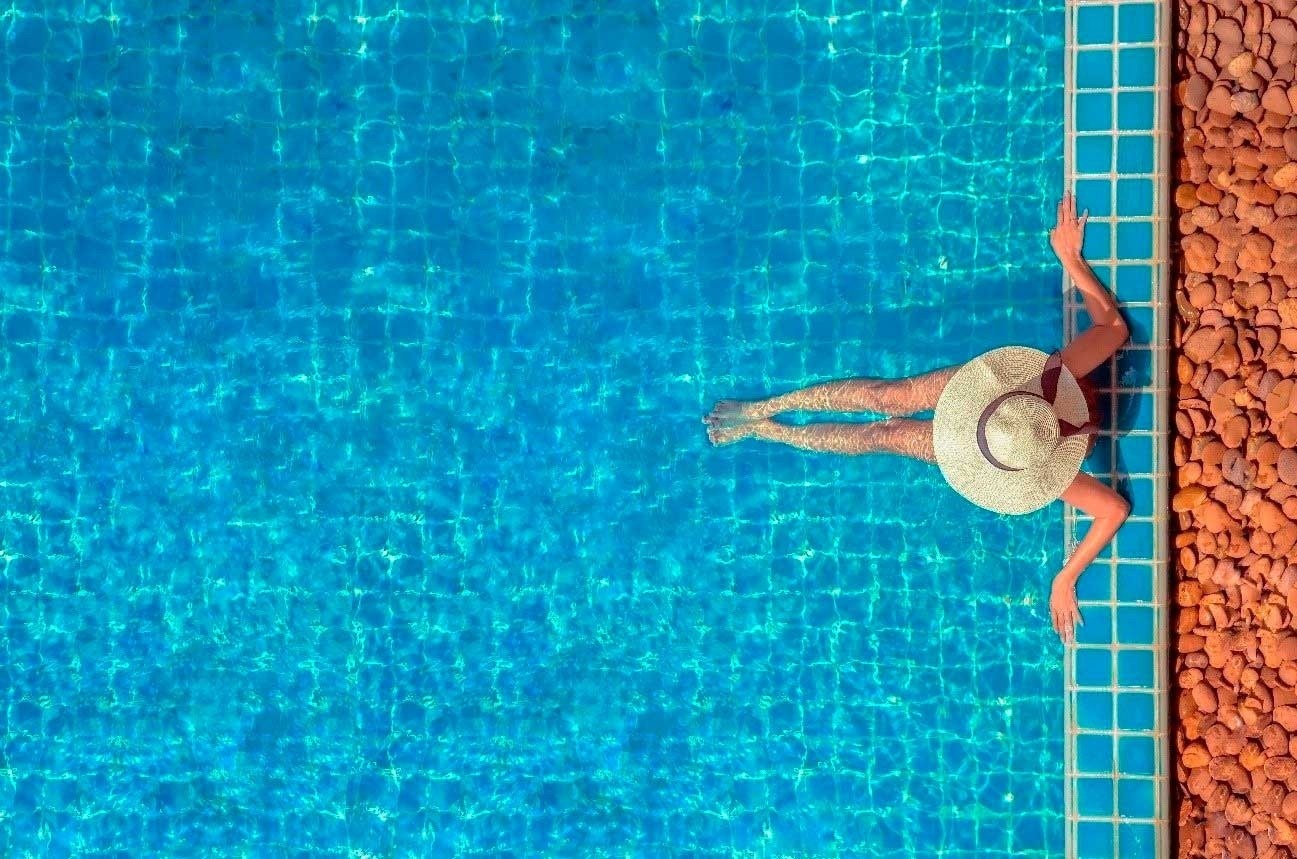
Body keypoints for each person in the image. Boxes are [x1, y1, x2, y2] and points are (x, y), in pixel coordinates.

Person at [704, 193, 1130, 645]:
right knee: (887, 413)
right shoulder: (1055, 384)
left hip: (981, 441)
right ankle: (764, 416)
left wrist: (1069, 258)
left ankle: (765, 423)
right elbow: (1114, 509)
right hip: (992, 409)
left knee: (885, 422)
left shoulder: (1043, 438)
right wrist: (1064, 578)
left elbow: (1112, 331)